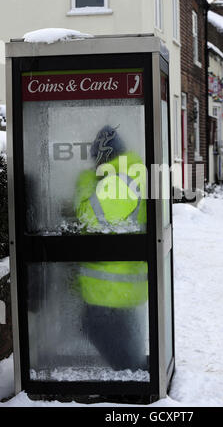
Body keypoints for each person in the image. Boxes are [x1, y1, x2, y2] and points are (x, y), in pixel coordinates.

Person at [74, 125, 148, 372]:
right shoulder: (122, 175)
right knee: (120, 340)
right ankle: (127, 381)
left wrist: (84, 186)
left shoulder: (120, 180)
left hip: (112, 289)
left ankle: (125, 389)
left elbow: (90, 216)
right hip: (118, 287)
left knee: (97, 330)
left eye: (97, 158)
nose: (94, 164)